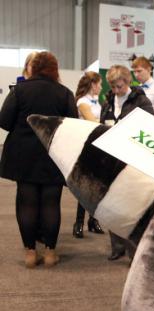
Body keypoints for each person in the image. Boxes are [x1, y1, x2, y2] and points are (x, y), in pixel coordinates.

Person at [0, 51, 78, 268]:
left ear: (32, 68)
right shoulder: (65, 93)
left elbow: (4, 121)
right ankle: (51, 253)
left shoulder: (19, 91)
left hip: (23, 155)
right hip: (53, 153)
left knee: (26, 202)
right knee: (51, 203)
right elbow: (72, 125)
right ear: (55, 70)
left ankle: (30, 253)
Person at [100, 64, 154, 261]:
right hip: (111, 159)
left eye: (120, 86)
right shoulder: (107, 102)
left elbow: (150, 130)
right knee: (111, 203)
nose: (116, 90)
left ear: (128, 82)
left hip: (133, 160)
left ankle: (134, 250)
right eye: (113, 86)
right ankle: (117, 246)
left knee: (132, 207)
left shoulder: (142, 101)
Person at [72, 72, 105, 239]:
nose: (101, 87)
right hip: (85, 145)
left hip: (97, 144)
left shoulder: (96, 100)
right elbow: (93, 122)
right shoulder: (82, 102)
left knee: (97, 185)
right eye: (99, 84)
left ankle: (93, 220)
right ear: (92, 84)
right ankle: (79, 223)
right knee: (84, 185)